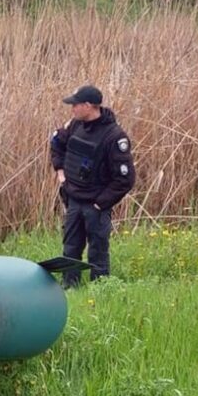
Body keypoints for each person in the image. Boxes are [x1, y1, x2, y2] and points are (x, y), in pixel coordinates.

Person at [49, 85, 136, 287]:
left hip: (95, 205)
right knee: (70, 247)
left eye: (75, 105)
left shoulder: (114, 136)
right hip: (73, 199)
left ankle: (100, 290)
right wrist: (60, 171)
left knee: (97, 250)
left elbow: (125, 179)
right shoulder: (75, 126)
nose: (72, 109)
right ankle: (70, 287)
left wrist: (100, 204)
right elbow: (56, 144)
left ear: (88, 106)